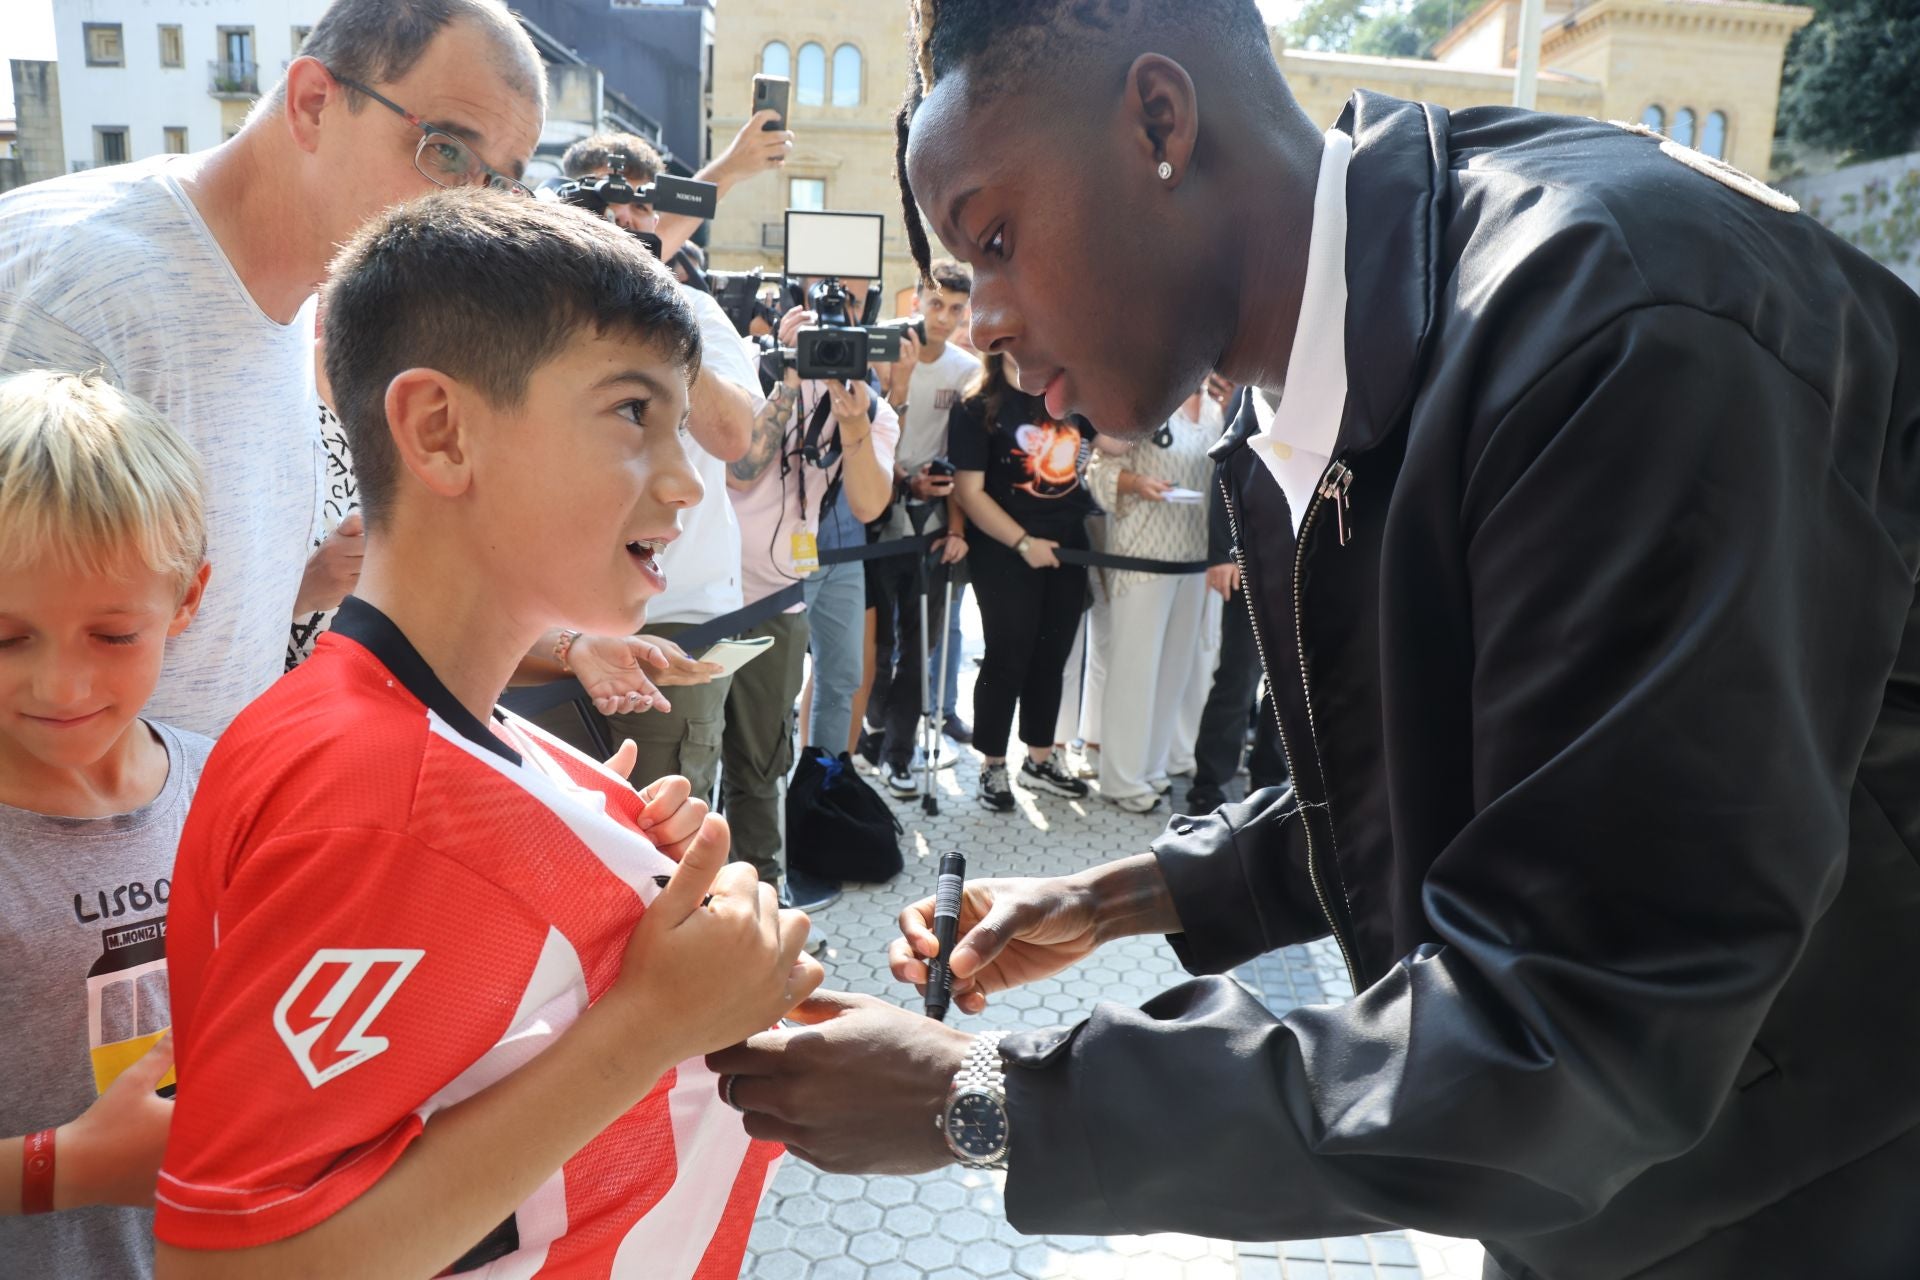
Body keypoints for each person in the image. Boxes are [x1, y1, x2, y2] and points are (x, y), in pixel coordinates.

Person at [703, 2, 1920, 1277]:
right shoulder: (1355, 358)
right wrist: (1114, 895)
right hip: (1614, 1198)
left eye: (994, 239)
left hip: (1817, 1189)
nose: (984, 320)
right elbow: (1455, 763)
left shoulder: (1614, 329)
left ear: (1160, 120)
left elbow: (1578, 1016)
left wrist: (995, 1099)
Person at [152, 192, 820, 1278]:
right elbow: (228, 1265)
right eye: (632, 411)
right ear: (441, 430)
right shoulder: (372, 799)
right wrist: (648, 1026)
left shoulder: (436, 734)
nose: (685, 477)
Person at [0, 0, 547, 737]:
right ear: (314, 103)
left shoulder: (303, 294)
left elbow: (202, 620)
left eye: (500, 186)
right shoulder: (85, 292)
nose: (468, 213)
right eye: (445, 151)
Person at [0, 371, 210, 1277]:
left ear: (188, 600)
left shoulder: (226, 785)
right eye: (5, 637)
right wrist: (64, 1170)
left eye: (113, 635)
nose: (61, 685)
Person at [530, 130, 765, 799]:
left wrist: (660, 318)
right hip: (553, 615)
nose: (627, 218)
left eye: (641, 204)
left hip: (677, 611)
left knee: (664, 821)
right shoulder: (535, 316)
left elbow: (733, 436)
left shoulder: (695, 312)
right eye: (606, 202)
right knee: (562, 809)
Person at [723, 304, 899, 909]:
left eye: (840, 337)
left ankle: (782, 856)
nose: (828, 348)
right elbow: (741, 469)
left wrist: (852, 425)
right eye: (817, 334)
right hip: (717, 594)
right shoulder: (753, 369)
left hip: (789, 588)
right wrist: (790, 377)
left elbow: (870, 504)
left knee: (763, 750)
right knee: (706, 744)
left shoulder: (870, 408)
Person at [948, 353, 1096, 811]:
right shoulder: (977, 405)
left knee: (1053, 656)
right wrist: (1023, 542)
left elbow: (1108, 444)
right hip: (1004, 550)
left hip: (1068, 548)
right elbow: (968, 491)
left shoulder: (1069, 398)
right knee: (1007, 655)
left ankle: (1040, 758)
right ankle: (993, 764)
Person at [859, 259, 980, 795]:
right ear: (916, 302)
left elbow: (962, 456)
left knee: (920, 643)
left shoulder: (964, 370)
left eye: (956, 308)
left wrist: (956, 526)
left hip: (931, 515)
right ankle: (874, 730)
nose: (944, 317)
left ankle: (899, 752)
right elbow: (870, 435)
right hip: (876, 508)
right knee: (878, 642)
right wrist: (900, 383)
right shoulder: (883, 349)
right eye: (936, 304)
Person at [1079, 385, 1227, 811]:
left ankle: (1152, 767)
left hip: (1194, 558)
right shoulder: (1147, 399)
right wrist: (1135, 483)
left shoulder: (1215, 410)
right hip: (1142, 555)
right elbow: (1097, 468)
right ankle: (1122, 779)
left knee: (1175, 671)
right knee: (1135, 668)